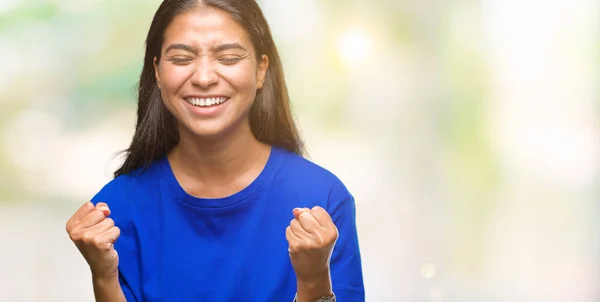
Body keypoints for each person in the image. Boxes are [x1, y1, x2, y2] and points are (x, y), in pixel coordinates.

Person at [65, 0, 364, 301]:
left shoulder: (323, 199)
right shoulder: (115, 211)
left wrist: (313, 279)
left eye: (229, 58)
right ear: (157, 72)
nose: (204, 78)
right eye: (181, 59)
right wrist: (104, 275)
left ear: (261, 70)